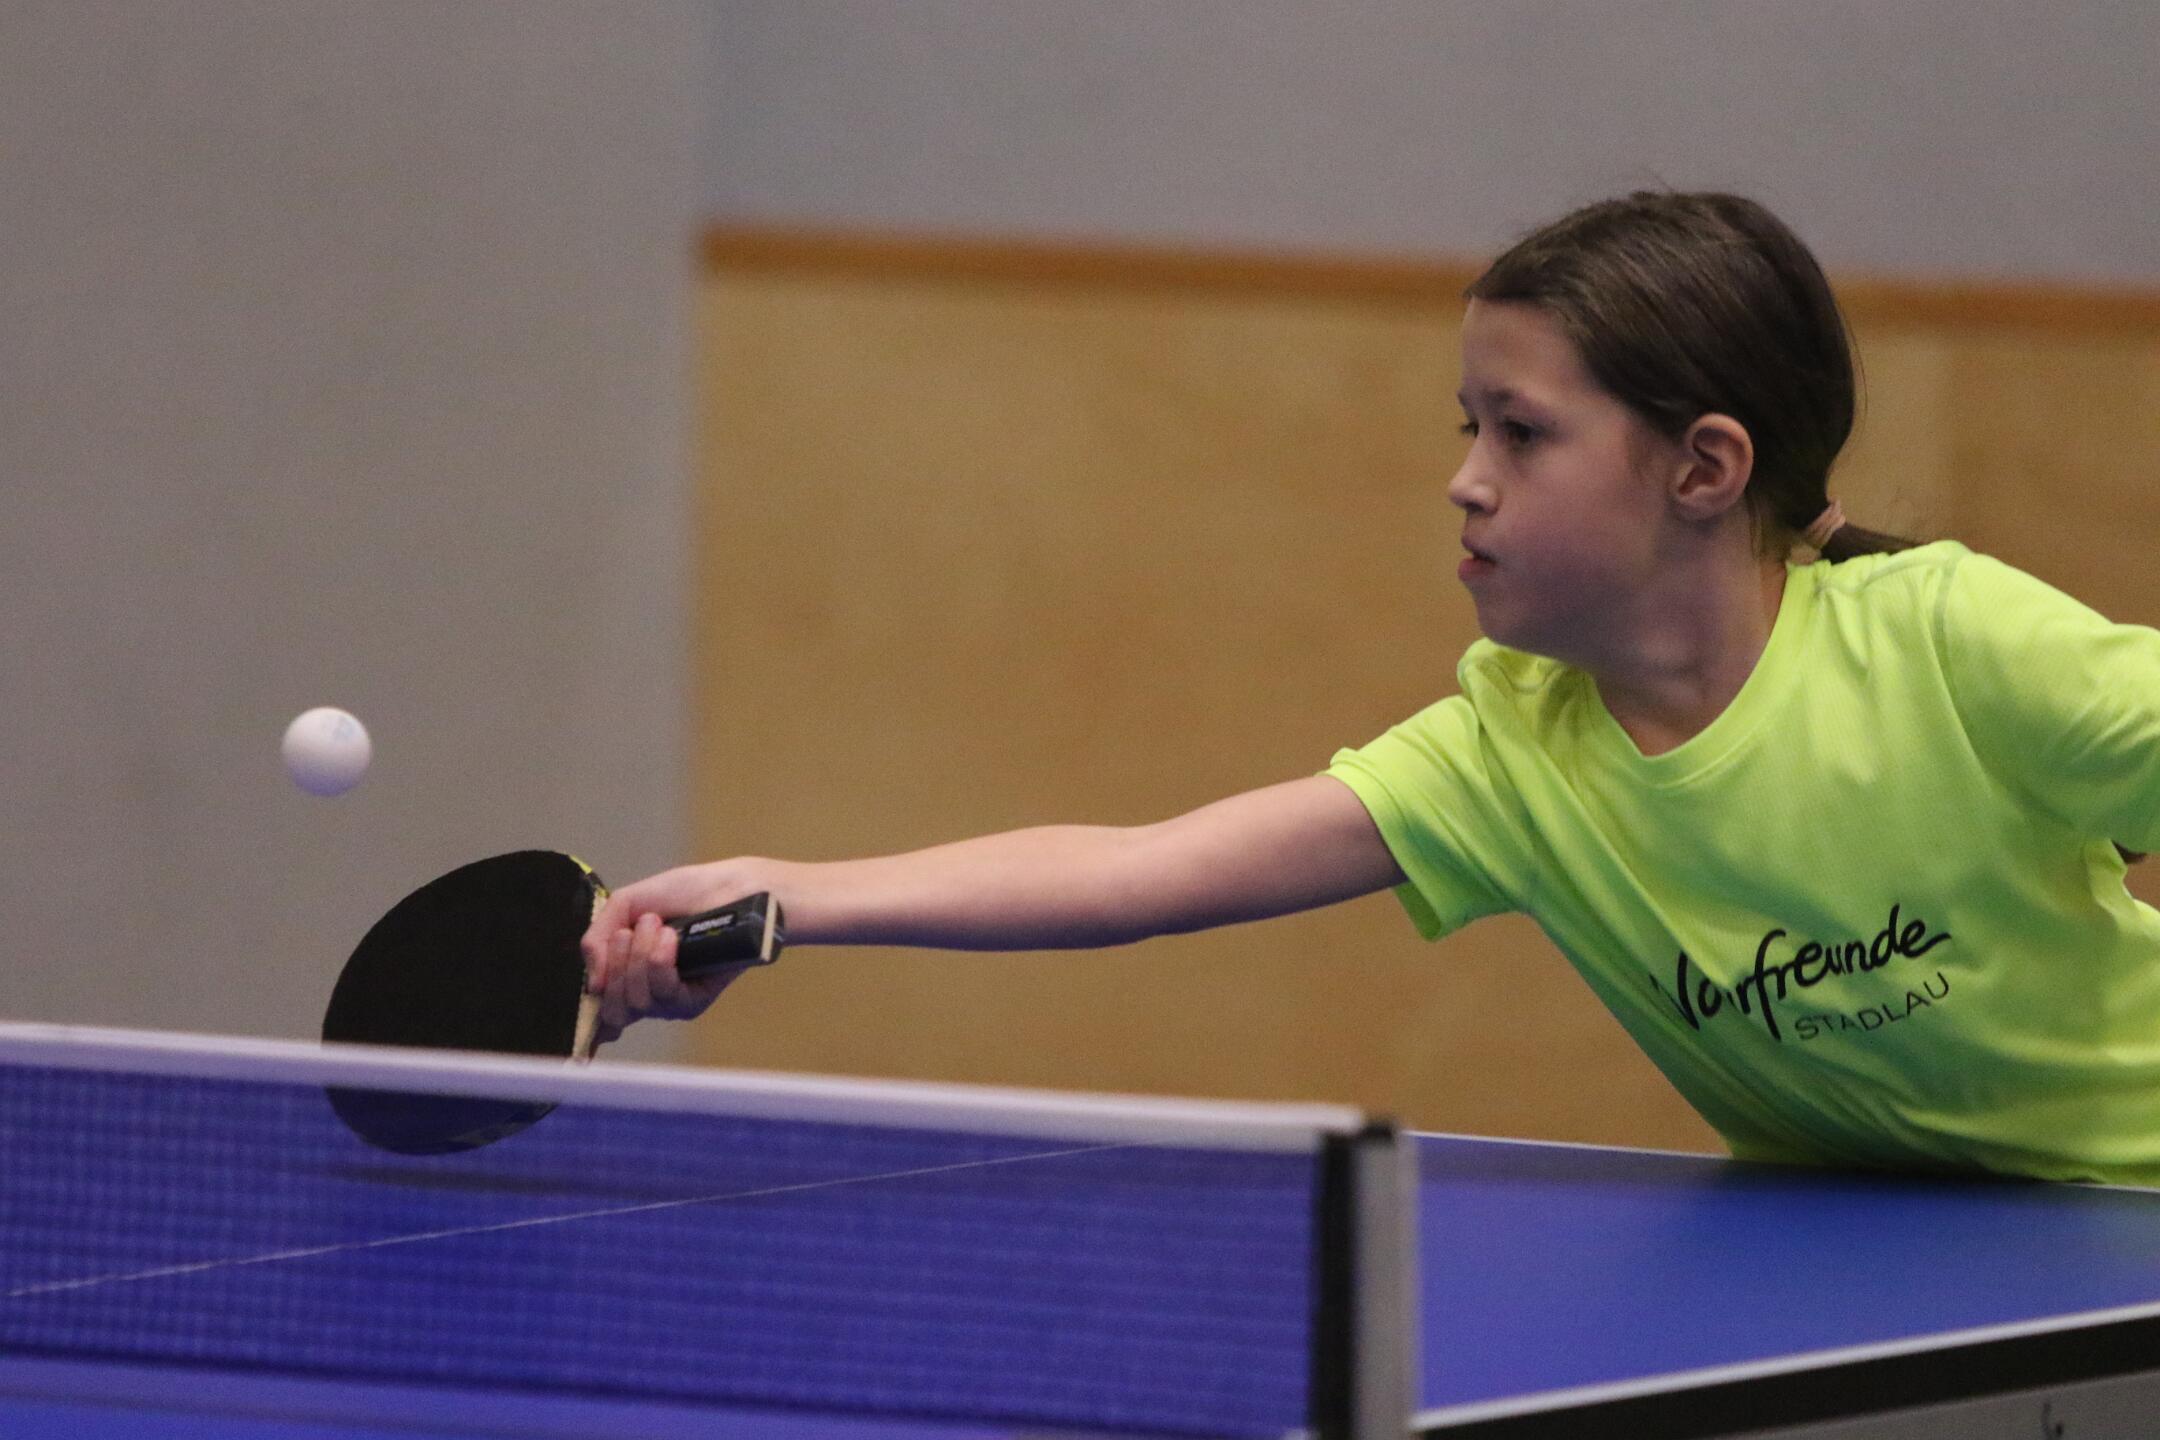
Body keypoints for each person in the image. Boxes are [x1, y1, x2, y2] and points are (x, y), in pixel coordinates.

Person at [582, 191, 2160, 1186]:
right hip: (1889, 1253)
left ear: (1704, 467)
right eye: (1470, 428)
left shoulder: (1943, 645)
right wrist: (790, 894)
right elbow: (1140, 872)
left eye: (1521, 433)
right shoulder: (1516, 756)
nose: (1465, 480)